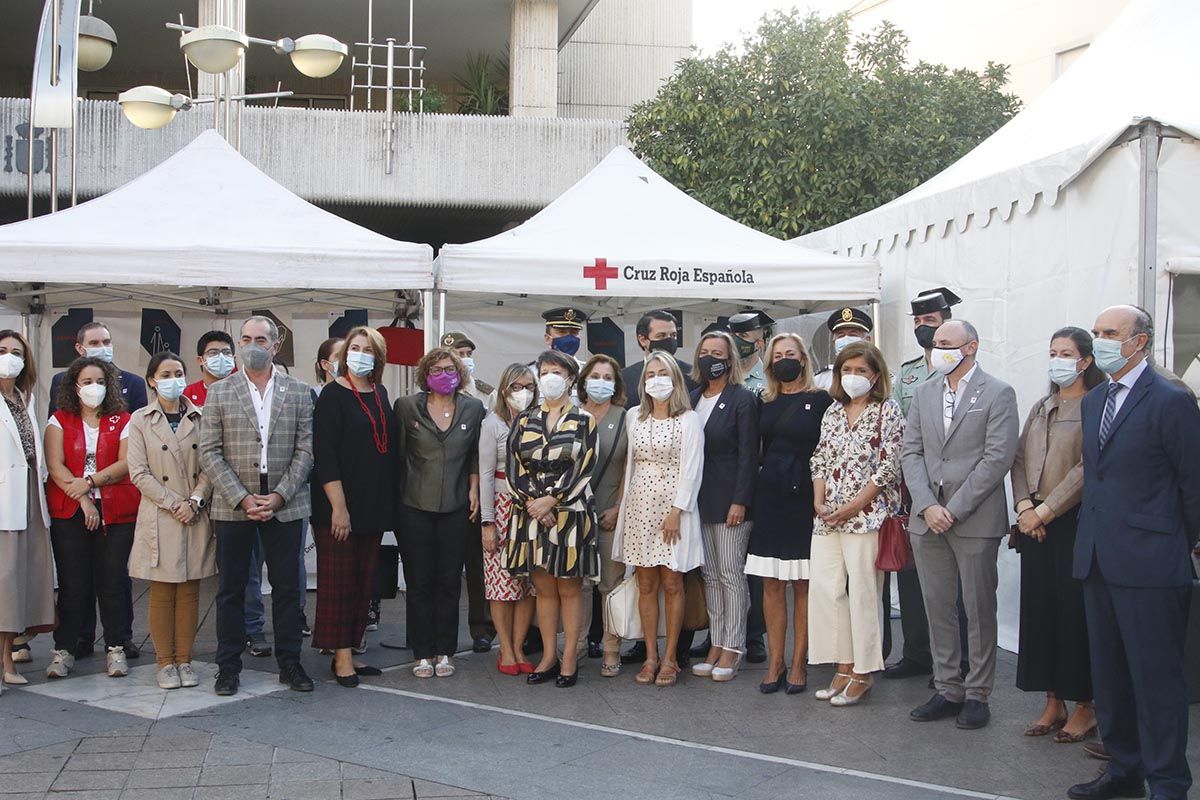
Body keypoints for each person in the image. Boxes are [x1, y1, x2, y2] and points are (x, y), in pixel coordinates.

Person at [1066, 306, 1200, 800]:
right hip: (1098, 558)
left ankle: (1167, 782)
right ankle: (1124, 770)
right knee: (1111, 676)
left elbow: (1193, 484)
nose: (1099, 340)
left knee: (1156, 681)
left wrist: (1176, 545)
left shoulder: (1171, 400)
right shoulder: (1096, 398)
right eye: (1097, 332)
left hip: (1151, 562)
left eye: (1110, 334)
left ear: (1139, 342)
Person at [901, 319, 1018, 730]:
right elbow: (910, 453)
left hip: (974, 518)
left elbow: (998, 457)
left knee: (978, 606)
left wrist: (955, 507)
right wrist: (928, 505)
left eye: (946, 343)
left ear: (971, 347)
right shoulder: (924, 392)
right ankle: (948, 686)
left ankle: (977, 693)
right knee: (937, 606)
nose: (938, 350)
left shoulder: (999, 393)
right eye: (935, 344)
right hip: (928, 518)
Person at [199, 315, 315, 697]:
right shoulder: (219, 392)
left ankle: (291, 663)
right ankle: (228, 667)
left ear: (275, 345)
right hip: (235, 505)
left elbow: (306, 449)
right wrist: (242, 497)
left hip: (285, 501)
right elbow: (210, 452)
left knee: (287, 587)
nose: (253, 345)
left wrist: (280, 494)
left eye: (260, 339)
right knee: (231, 589)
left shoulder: (298, 391)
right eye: (245, 338)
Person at [1011, 327, 1103, 741]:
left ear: (1085, 361)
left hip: (1071, 523)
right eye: (1053, 352)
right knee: (1040, 612)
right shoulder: (1041, 406)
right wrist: (1025, 507)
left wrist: (1046, 511)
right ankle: (1053, 700)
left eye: (1066, 353)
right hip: (1033, 523)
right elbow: (1017, 459)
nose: (1058, 360)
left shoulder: (1095, 405)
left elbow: (1088, 468)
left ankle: (1086, 704)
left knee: (1074, 615)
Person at [809, 342, 904, 706]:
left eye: (860, 371)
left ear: (875, 375)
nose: (852, 377)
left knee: (864, 592)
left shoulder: (888, 411)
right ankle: (843, 664)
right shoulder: (832, 412)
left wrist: (852, 506)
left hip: (867, 516)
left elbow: (888, 467)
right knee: (825, 588)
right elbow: (819, 457)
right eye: (846, 370)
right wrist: (818, 500)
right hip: (827, 516)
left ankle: (863, 672)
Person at [49, 321, 145, 661]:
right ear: (73, 386)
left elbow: (127, 461)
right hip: (71, 508)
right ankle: (71, 644)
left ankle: (118, 643)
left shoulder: (123, 417)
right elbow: (56, 465)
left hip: (117, 506)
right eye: (87, 382)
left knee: (114, 580)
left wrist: (90, 483)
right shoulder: (60, 419)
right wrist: (84, 498)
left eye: (100, 382)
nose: (94, 387)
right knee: (75, 581)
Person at [744, 333, 833, 694]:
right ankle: (775, 662)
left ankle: (799, 663)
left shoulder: (822, 400)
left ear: (803, 359)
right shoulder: (762, 401)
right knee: (771, 583)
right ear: (769, 363)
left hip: (804, 499)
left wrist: (821, 498)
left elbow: (827, 451)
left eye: (790, 354)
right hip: (769, 497)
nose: (784, 360)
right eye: (778, 355)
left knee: (803, 583)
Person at [505, 350, 599, 688]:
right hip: (531, 516)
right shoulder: (524, 419)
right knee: (544, 588)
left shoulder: (584, 420)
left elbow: (584, 467)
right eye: (544, 371)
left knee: (570, 589)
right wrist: (534, 503)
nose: (549, 377)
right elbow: (514, 467)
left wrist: (552, 500)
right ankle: (547, 655)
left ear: (571, 378)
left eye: (557, 371)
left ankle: (569, 656)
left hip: (570, 515)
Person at [884, 287, 962, 683]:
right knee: (912, 575)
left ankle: (954, 663)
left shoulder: (964, 370)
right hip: (916, 487)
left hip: (954, 489)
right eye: (917, 322)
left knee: (951, 581)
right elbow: (900, 433)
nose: (923, 328)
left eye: (930, 322)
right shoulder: (909, 372)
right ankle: (916, 653)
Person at [311, 327, 396, 688]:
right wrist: (338, 508)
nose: (361, 353)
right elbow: (325, 455)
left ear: (378, 357)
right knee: (339, 581)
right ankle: (340, 655)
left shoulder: (381, 393)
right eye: (355, 348)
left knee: (364, 581)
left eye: (368, 349)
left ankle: (353, 648)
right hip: (338, 503)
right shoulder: (332, 395)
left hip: (372, 503)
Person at [614, 351, 703, 688]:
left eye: (662, 372)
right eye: (650, 374)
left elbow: (693, 470)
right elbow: (630, 464)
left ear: (675, 378)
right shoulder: (634, 416)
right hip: (639, 508)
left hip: (674, 511)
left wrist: (677, 511)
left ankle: (671, 658)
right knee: (646, 584)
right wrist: (623, 507)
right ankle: (650, 655)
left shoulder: (688, 419)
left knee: (673, 582)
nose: (656, 379)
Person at [126, 352, 215, 690]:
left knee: (191, 591)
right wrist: (174, 503)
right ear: (151, 379)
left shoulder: (201, 416)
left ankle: (185, 659)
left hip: (194, 512)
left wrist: (194, 500)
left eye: (178, 373)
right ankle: (164, 661)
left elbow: (209, 466)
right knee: (162, 591)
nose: (173, 379)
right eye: (165, 373)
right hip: (160, 513)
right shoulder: (140, 419)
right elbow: (138, 472)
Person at [394, 347, 484, 679]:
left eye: (450, 368)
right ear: (425, 375)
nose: (444, 374)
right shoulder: (406, 407)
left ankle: (445, 650)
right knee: (419, 582)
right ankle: (422, 653)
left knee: (449, 581)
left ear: (460, 373)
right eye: (436, 369)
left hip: (457, 507)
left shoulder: (473, 409)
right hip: (413, 505)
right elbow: (398, 457)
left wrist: (474, 488)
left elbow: (477, 453)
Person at [688, 332, 758, 682]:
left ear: (729, 359)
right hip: (699, 500)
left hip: (730, 499)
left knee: (731, 575)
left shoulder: (743, 399)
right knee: (711, 577)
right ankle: (716, 642)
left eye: (717, 352)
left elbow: (749, 454)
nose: (710, 357)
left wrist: (740, 500)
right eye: (704, 352)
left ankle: (734, 647)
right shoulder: (693, 397)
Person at [0, 331, 55, 691]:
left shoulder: (24, 398)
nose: (9, 358)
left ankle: (7, 655)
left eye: (16, 352)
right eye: (2, 351)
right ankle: (3, 660)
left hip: (29, 501)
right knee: (4, 582)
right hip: (5, 502)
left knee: (18, 584)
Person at [479, 363, 538, 676]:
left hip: (532, 510)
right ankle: (505, 648)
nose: (523, 392)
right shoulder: (493, 424)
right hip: (502, 507)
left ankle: (518, 645)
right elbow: (486, 474)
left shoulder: (540, 420)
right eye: (517, 386)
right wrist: (487, 522)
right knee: (501, 585)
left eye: (529, 386)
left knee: (527, 583)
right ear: (504, 390)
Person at [443, 330, 496, 653]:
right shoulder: (429, 394)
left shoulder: (485, 395)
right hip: (445, 488)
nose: (464, 360)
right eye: (457, 355)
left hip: (479, 488)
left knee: (478, 566)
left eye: (466, 353)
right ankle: (444, 630)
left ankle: (482, 628)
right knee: (447, 566)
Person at [577, 355, 630, 677]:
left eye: (607, 376)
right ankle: (577, 646)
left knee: (610, 585)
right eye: (595, 375)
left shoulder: (626, 417)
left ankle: (611, 648)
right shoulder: (572, 415)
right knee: (578, 585)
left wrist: (619, 507)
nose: (600, 381)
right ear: (584, 381)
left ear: (615, 383)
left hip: (610, 512)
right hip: (575, 516)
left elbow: (629, 467)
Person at [49, 321, 148, 414]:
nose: (102, 347)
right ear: (80, 348)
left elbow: (139, 427)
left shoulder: (134, 383)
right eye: (94, 343)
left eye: (106, 342)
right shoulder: (61, 380)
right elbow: (54, 421)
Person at [619, 310, 698, 410]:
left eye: (673, 335)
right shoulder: (624, 378)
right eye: (661, 336)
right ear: (643, 340)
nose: (670, 340)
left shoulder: (691, 374)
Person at [813, 308, 874, 391]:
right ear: (834, 343)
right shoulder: (821, 380)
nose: (846, 339)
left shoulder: (880, 376)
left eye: (853, 334)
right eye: (841, 335)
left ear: (867, 340)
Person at [728, 310, 775, 397]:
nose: (735, 341)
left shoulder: (771, 379)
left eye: (743, 336)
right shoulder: (724, 375)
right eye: (733, 336)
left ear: (758, 344)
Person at [183, 330, 235, 408]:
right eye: (213, 352)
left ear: (233, 358)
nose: (221, 357)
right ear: (200, 360)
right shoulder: (187, 394)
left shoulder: (245, 392)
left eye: (226, 352)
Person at [443, 331, 496, 403]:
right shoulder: (434, 390)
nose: (466, 358)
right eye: (460, 354)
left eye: (469, 354)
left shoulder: (486, 394)